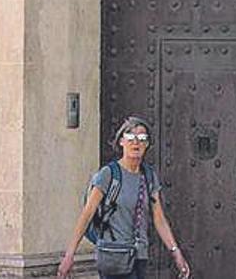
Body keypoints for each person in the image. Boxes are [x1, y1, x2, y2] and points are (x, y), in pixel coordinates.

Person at [57, 116, 190, 279]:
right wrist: (70, 255)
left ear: (147, 144)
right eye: (130, 137)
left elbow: (159, 218)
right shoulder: (109, 174)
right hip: (113, 256)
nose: (136, 143)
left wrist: (176, 252)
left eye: (142, 138)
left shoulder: (148, 176)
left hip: (139, 256)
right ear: (121, 141)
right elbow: (87, 214)